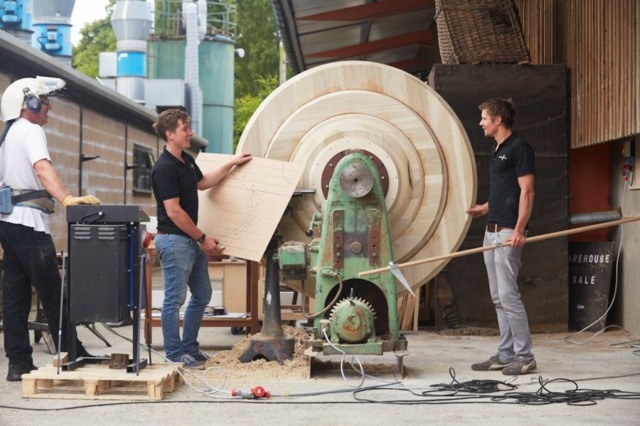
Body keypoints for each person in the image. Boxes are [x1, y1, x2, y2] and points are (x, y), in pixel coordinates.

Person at [0, 76, 101, 382]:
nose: (49, 107)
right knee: (53, 292)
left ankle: (18, 364)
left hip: (9, 223)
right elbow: (42, 168)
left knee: (15, 295)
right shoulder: (30, 130)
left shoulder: (8, 135)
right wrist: (67, 198)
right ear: (29, 104)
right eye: (44, 102)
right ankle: (72, 350)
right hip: (28, 224)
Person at [151, 108, 251, 369]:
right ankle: (174, 353)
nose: (190, 132)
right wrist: (203, 237)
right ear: (170, 134)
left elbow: (204, 183)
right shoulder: (163, 168)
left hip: (187, 241)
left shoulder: (186, 160)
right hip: (174, 240)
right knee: (174, 299)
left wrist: (231, 163)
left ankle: (190, 348)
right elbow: (173, 211)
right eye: (185, 128)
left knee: (203, 294)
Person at [465, 97, 537, 376]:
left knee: (509, 296)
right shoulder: (498, 149)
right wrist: (486, 207)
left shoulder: (520, 148)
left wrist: (519, 230)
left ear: (498, 120)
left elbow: (527, 192)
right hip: (491, 230)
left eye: (484, 118)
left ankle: (525, 356)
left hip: (507, 233)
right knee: (498, 297)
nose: (480, 122)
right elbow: (505, 192)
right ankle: (506, 354)